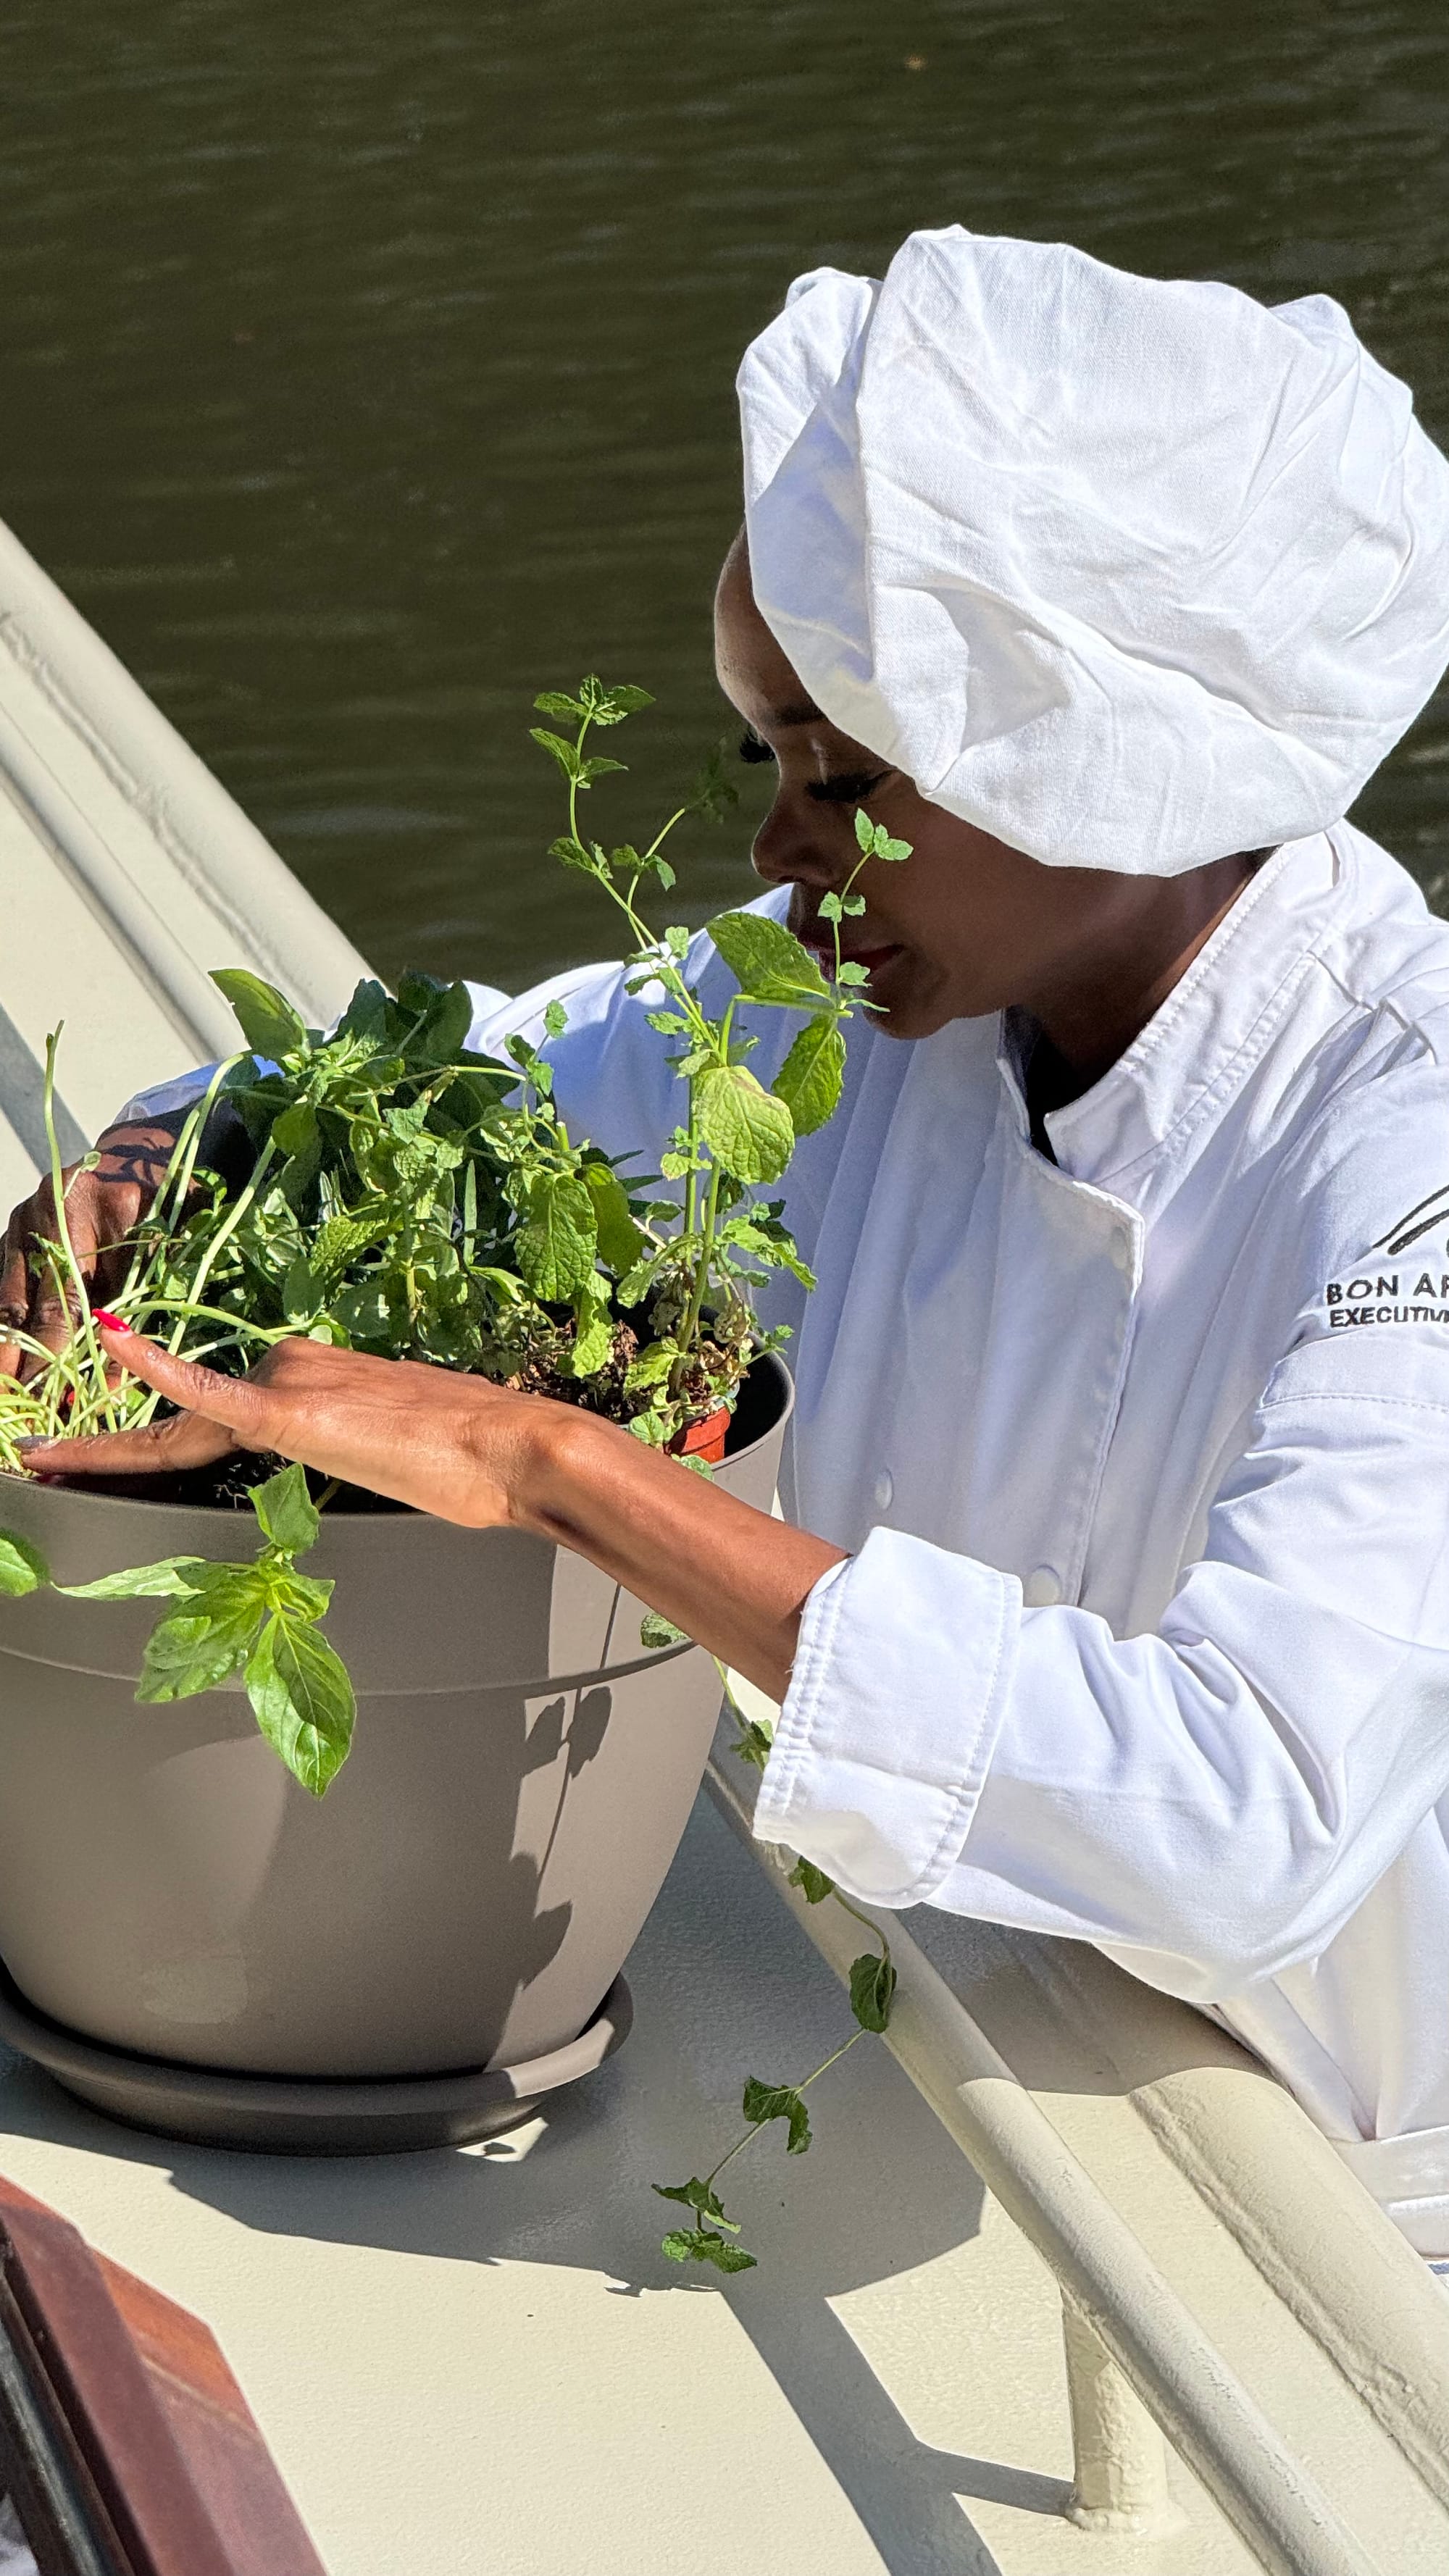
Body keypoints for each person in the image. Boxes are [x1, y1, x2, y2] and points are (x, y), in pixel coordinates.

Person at [7, 227, 1449, 2260]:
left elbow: (1241, 1810)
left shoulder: (1398, 1146)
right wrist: (177, 1154)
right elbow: (495, 1070)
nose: (776, 847)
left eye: (840, 776)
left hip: (1328, 2231)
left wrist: (549, 1462)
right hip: (925, 2023)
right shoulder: (865, 995)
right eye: (772, 755)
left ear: (1102, 764)